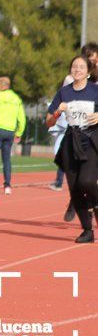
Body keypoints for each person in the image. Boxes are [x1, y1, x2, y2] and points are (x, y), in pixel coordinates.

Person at [47, 55, 98, 243]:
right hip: (71, 142)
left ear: (88, 71)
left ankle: (96, 204)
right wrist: (57, 112)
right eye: (74, 66)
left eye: (81, 67)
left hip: (92, 140)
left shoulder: (95, 90)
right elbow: (49, 121)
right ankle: (87, 231)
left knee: (87, 182)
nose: (77, 69)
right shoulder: (64, 92)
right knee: (75, 189)